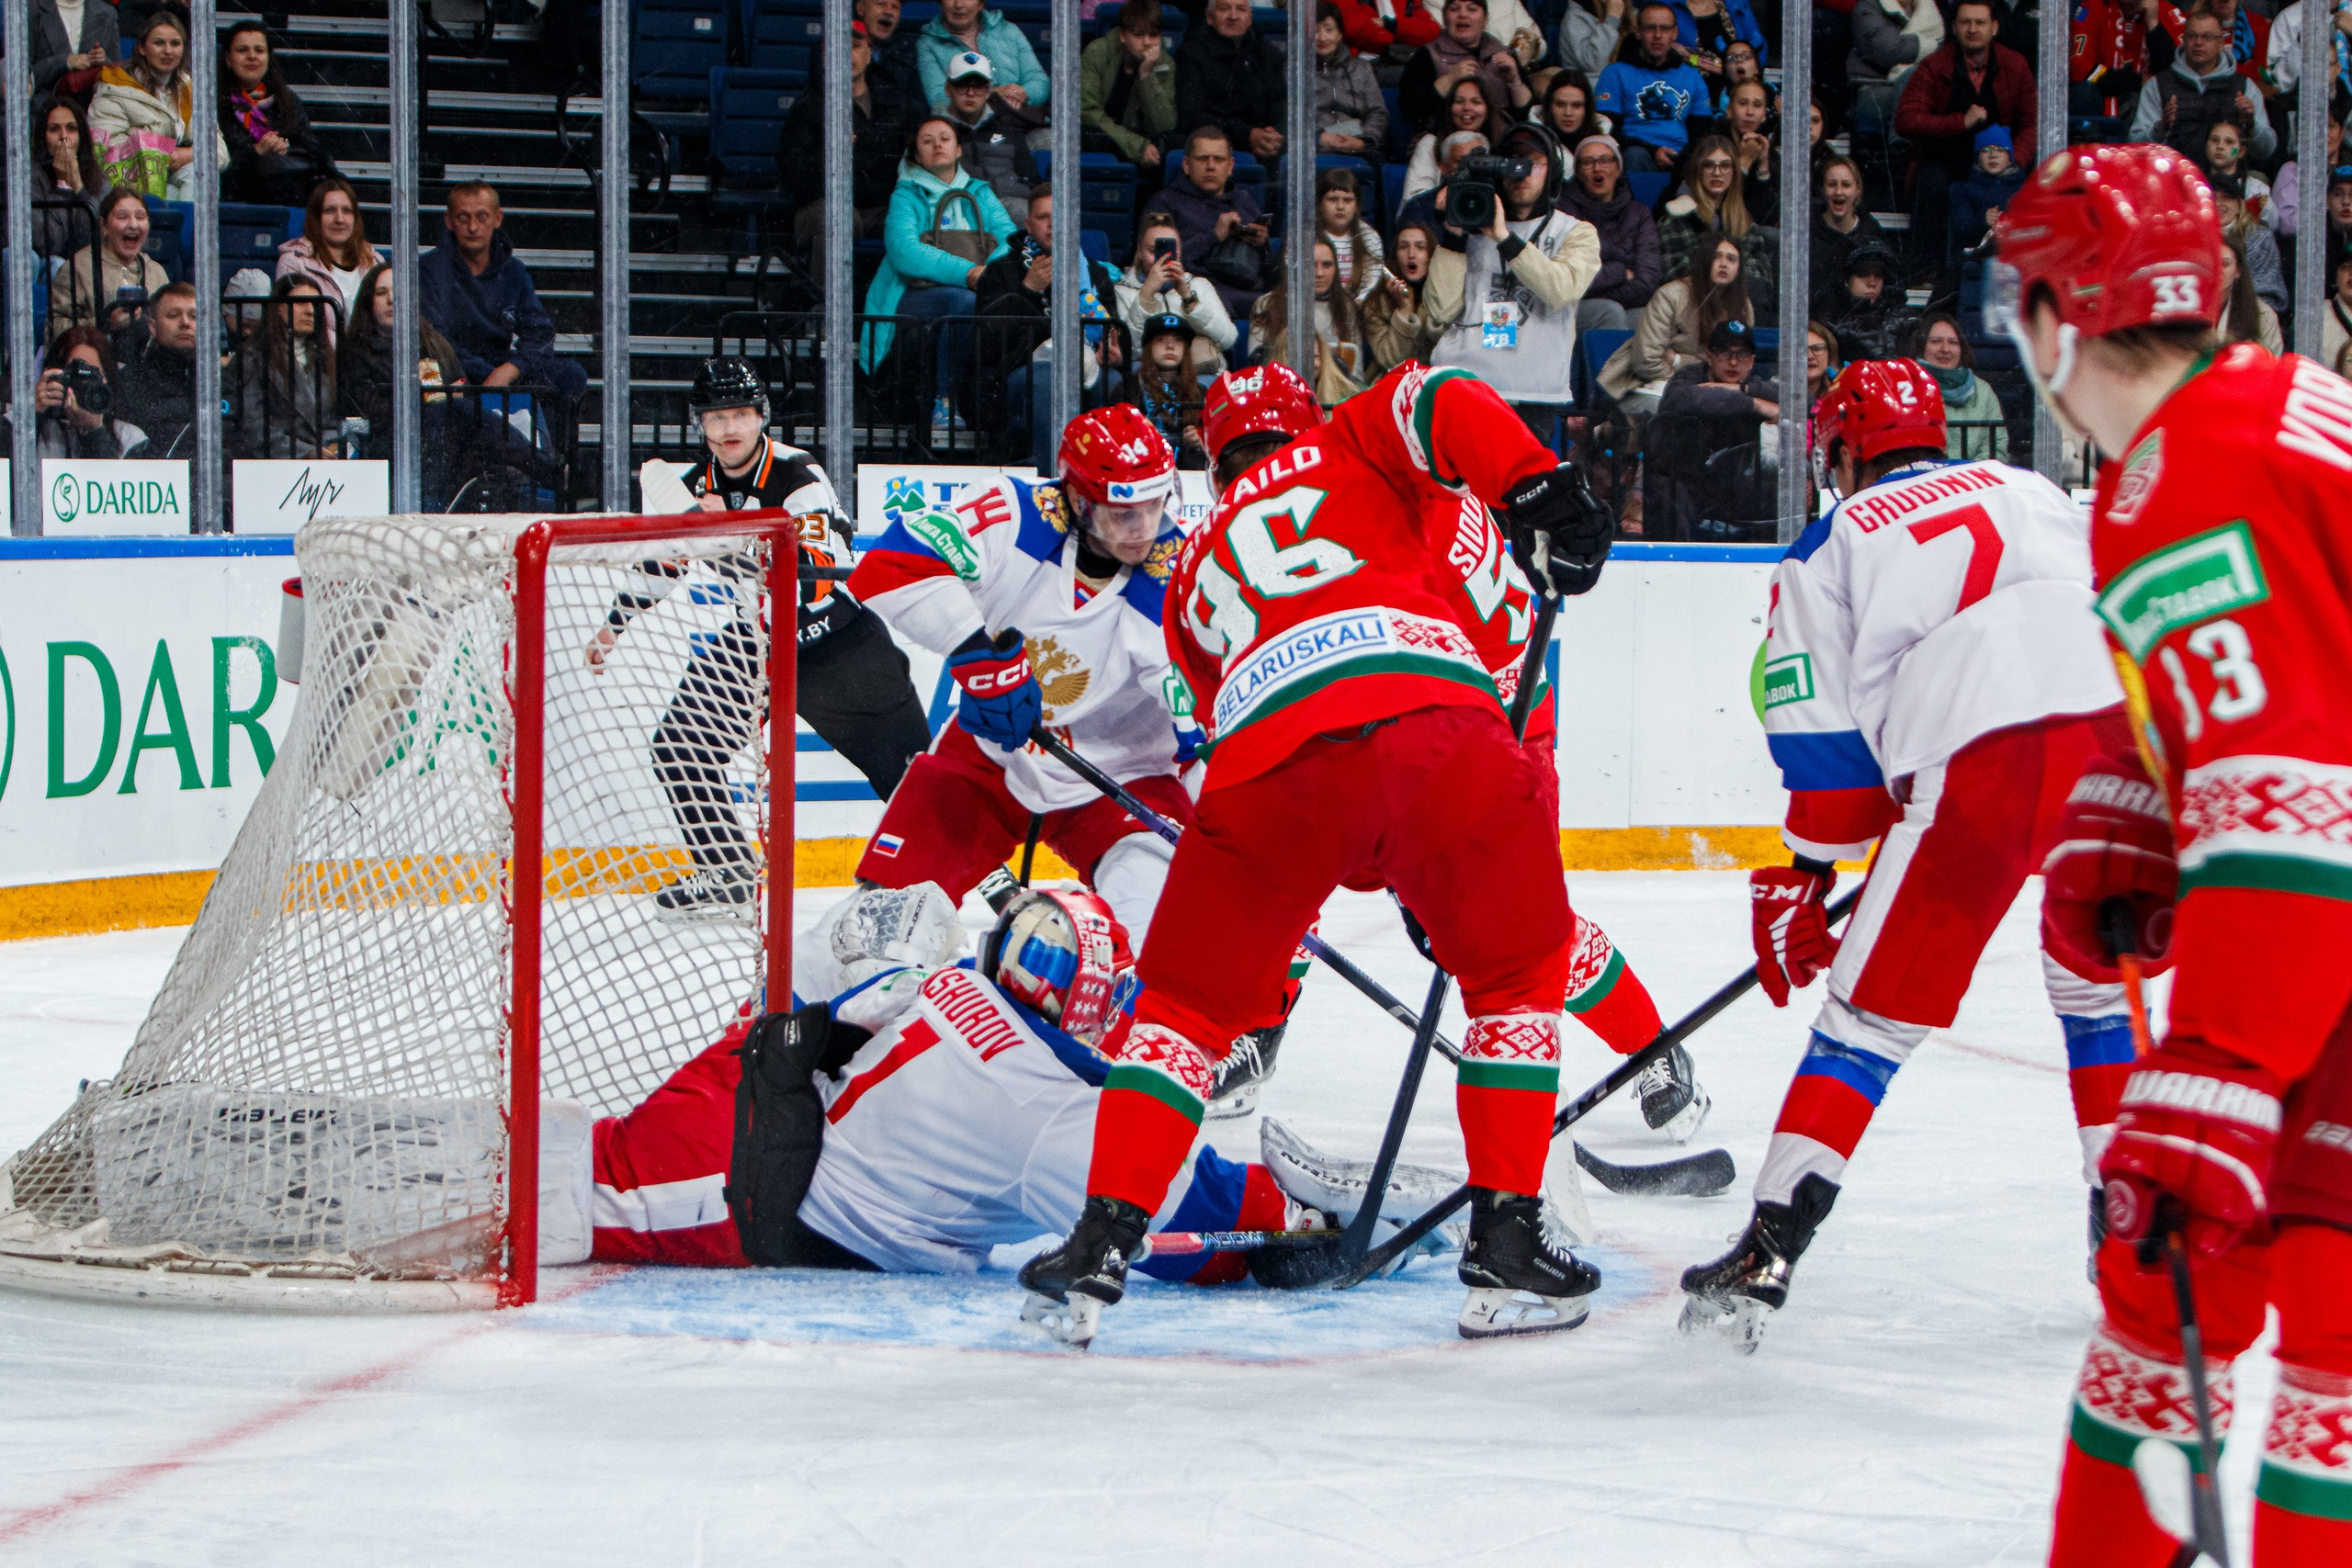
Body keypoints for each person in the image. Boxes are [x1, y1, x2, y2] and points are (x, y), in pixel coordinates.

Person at [1015, 359, 1616, 1347]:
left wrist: (1355, 840)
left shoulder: (1189, 570)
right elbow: (1441, 396)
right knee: (1517, 977)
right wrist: (1535, 482)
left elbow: (1219, 721)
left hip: (1262, 767)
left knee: (1181, 1013)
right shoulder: (1355, 442)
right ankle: (1507, 1241)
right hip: (1433, 719)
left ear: (1212, 463)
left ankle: (1097, 1244)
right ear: (1310, 417)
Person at [1991, 141, 2352, 1567]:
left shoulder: (2183, 473)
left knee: (2223, 1276)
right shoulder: (2270, 402)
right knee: (2290, 1299)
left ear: (2055, 318)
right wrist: (2140, 797)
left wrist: (2220, 1067)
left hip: (2319, 935)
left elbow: (2291, 795)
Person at [1679, 356, 2134, 1350]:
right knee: (2100, 997)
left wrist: (1808, 873)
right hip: (2122, 745)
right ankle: (2133, 1240)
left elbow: (1824, 745)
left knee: (1865, 1027)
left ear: (1842, 449)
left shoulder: (1831, 540)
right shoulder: (2033, 487)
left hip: (1980, 768)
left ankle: (1767, 1249)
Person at [579, 884, 1459, 1289]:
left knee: (561, 1161)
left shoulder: (953, 978)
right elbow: (1197, 1222)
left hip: (748, 1092)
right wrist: (1307, 1223)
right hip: (750, 1185)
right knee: (565, 1197)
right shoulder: (1049, 1112)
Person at [846, 406, 1200, 949]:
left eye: (1156, 506)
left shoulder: (1182, 578)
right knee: (878, 929)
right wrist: (979, 657)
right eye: (1124, 514)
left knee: (1162, 934)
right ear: (1078, 500)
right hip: (992, 756)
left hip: (1127, 776)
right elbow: (893, 561)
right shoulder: (1015, 514)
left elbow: (1203, 733)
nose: (1144, 529)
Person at [605, 365, 929, 895]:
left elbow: (813, 583)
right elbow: (665, 563)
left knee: (913, 778)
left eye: (740, 414)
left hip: (836, 641)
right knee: (681, 749)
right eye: (716, 417)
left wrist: (731, 534)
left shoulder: (799, 474)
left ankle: (995, 884)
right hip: (756, 645)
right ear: (700, 424)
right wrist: (613, 627)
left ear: (761, 417)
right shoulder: (696, 488)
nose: (729, 427)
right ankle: (727, 874)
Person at [1428, 127, 1602, 437]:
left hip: (1530, 392)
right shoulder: (1472, 223)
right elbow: (1440, 310)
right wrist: (1454, 235)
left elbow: (1561, 290)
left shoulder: (1575, 232)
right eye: (1511, 163)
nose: (1520, 174)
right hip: (1462, 382)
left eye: (1531, 163)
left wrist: (1503, 237)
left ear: (1553, 171)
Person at [856, 118, 1016, 434]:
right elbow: (904, 250)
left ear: (958, 150)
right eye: (927, 141)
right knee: (964, 302)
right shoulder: (906, 195)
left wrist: (988, 271)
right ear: (916, 155)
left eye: (945, 138)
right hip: (910, 294)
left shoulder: (980, 192)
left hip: (974, 286)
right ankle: (945, 401)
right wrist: (968, 272)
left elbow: (1009, 239)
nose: (937, 145)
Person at [419, 182, 589, 430]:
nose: (473, 227)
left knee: (570, 374)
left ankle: (550, 453)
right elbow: (435, 337)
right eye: (463, 217)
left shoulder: (514, 270)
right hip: (454, 368)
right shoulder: (429, 269)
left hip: (502, 367)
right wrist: (488, 374)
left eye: (482, 217)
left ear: (497, 218)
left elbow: (540, 333)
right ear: (449, 221)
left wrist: (510, 369)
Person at [1894, 0, 2034, 286]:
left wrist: (2013, 160)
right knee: (1930, 181)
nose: (1973, 29)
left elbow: (2031, 122)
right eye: (1965, 22)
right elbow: (1906, 119)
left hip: (1999, 162)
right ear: (1954, 27)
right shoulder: (1934, 66)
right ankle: (1925, 271)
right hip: (1948, 160)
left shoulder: (2015, 65)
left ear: (1994, 27)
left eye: (1980, 22)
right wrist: (1960, 122)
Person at [336, 262, 473, 505]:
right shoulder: (355, 351)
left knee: (473, 420)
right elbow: (369, 407)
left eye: (398, 293)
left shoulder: (433, 341)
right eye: (381, 293)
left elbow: (460, 386)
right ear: (368, 302)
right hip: (389, 445)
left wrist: (449, 396)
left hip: (447, 441)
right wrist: (423, 396)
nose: (391, 300)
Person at [782, 22, 916, 249]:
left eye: (855, 46)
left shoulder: (897, 104)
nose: (847, 54)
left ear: (869, 54)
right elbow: (793, 175)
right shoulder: (807, 108)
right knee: (838, 219)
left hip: (881, 209)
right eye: (839, 46)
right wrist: (830, 154)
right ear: (825, 57)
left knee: (912, 219)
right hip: (824, 208)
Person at [1644, 316, 1777, 537]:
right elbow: (1685, 399)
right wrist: (1754, 404)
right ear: (1710, 356)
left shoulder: (1754, 384)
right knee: (1670, 500)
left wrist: (1741, 390)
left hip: (1732, 486)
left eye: (1742, 354)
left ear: (1752, 361)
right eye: (1725, 353)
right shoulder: (1688, 377)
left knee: (1789, 497)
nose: (1733, 362)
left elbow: (1805, 401)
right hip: (1683, 481)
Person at [1599, 232, 1753, 425]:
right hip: (1649, 386)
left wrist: (1678, 360)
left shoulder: (1744, 306)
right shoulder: (1671, 295)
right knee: (1678, 412)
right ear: (1704, 261)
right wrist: (1695, 381)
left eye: (1731, 259)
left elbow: (1741, 362)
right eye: (1716, 257)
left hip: (1713, 389)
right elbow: (1647, 361)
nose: (1724, 264)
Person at [87, 10, 226, 201]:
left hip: (176, 178)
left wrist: (188, 154)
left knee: (201, 173)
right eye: (159, 43)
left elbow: (219, 149)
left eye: (175, 43)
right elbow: (107, 152)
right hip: (132, 187)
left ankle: (193, 222)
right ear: (142, 48)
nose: (168, 51)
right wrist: (164, 153)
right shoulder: (115, 88)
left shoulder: (189, 88)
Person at [1140, 128, 1268, 321]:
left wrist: (1262, 243)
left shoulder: (1245, 202)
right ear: (1186, 165)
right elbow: (1155, 262)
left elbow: (1267, 268)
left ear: (1230, 166)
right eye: (1202, 159)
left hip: (1250, 291)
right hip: (1193, 293)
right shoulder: (1165, 203)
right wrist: (1213, 236)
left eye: (1219, 159)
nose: (1211, 166)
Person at [2129, 5, 2274, 162]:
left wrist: (2251, 124)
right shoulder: (2158, 85)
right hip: (2173, 172)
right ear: (2183, 41)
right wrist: (2160, 128)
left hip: (2230, 175)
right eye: (2192, 36)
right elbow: (2135, 146)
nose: (2198, 42)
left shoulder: (2244, 86)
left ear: (2221, 43)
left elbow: (2266, 151)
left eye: (2207, 37)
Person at [1654, 133, 1776, 313]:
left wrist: (1715, 269)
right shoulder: (1676, 216)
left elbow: (1762, 276)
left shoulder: (1743, 219)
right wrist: (1730, 269)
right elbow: (1675, 273)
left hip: (1741, 308)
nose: (1717, 172)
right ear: (1698, 170)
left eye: (1725, 165)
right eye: (1708, 165)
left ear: (1734, 172)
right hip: (1693, 311)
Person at [219, 21, 336, 207]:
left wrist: (284, 145)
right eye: (242, 50)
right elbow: (219, 165)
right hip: (241, 197)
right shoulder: (216, 103)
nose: (252, 56)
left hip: (291, 187)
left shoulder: (286, 100)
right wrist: (257, 151)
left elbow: (313, 147)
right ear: (228, 59)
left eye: (259, 50)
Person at [1557, 132, 1661, 334]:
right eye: (1588, 162)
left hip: (1627, 303)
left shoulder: (1639, 214)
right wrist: (1619, 273)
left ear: (1618, 168)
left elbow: (1648, 281)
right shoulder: (1563, 213)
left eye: (1605, 160)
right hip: (1572, 307)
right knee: (1609, 312)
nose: (1597, 168)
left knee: (1650, 318)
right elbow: (1570, 280)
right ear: (1577, 171)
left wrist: (1608, 290)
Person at [1250, 235, 1374, 404]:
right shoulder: (1266, 304)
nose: (1319, 273)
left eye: (1327, 265)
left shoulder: (1347, 307)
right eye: (1311, 265)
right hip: (1280, 398)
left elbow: (1354, 374)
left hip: (1334, 399)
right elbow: (1257, 369)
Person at [231, 275, 338, 460]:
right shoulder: (252, 358)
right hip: (275, 465)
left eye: (316, 305)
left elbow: (336, 420)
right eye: (301, 303)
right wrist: (306, 452)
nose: (310, 311)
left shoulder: (327, 358)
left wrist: (334, 446)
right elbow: (252, 427)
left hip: (326, 464)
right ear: (278, 308)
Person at [1596, 4, 1711, 170]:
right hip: (1635, 154)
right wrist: (1653, 150)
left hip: (1682, 158)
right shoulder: (1615, 73)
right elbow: (1604, 130)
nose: (1657, 35)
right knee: (1635, 155)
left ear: (1675, 33)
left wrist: (1685, 156)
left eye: (1664, 29)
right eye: (1650, 28)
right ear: (1638, 32)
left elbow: (1703, 133)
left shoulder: (1692, 76)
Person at [1114, 216, 1239, 364]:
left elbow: (1228, 340)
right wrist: (1146, 294)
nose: (1162, 259)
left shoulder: (1199, 285)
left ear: (1179, 252)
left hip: (1198, 368)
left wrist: (1188, 298)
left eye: (1170, 251)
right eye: (1154, 251)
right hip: (1149, 370)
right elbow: (1129, 352)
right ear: (1140, 251)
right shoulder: (1122, 291)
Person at [1400, 0, 1531, 140]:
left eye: (1472, 9)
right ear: (1444, 18)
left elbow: (1528, 115)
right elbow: (1409, 111)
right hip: (1444, 143)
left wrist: (1515, 81)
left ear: (1485, 19)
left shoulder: (1504, 53)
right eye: (1454, 9)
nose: (1463, 14)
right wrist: (1449, 80)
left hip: (1503, 142)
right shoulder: (1427, 55)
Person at [51, 185, 167, 340]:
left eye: (140, 217)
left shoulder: (156, 272)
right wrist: (103, 323)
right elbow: (53, 330)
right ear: (104, 226)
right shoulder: (78, 268)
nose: (133, 225)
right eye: (122, 217)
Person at [1177, 0, 1287, 163]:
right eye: (1224, 9)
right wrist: (1248, 135)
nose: (1233, 16)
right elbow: (1191, 117)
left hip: (1267, 150)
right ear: (1209, 17)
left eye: (1241, 9)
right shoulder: (1191, 54)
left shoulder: (1269, 54)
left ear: (1250, 17)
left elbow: (1281, 107)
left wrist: (1274, 136)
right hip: (1213, 148)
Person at [1080, 0, 1179, 169]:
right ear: (1123, 36)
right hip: (1103, 137)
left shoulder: (1165, 63)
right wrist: (1137, 147)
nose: (1147, 42)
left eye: (1153, 35)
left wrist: (1146, 75)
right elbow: (1088, 112)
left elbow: (1164, 126)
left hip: (1145, 143)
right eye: (1138, 35)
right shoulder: (1097, 53)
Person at [274, 176, 376, 338]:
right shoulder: (294, 263)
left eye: (347, 211)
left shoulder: (374, 261)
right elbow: (295, 325)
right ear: (315, 217)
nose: (339, 219)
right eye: (329, 211)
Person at [26, 325, 146, 459]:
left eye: (94, 375)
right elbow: (11, 463)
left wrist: (95, 431)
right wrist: (33, 415)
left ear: (108, 378)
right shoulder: (35, 428)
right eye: (76, 374)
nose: (84, 383)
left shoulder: (130, 438)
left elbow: (109, 473)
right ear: (56, 376)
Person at [939, 51, 1039, 210]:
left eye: (978, 86)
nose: (971, 93)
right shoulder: (933, 131)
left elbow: (1032, 181)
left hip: (1012, 206)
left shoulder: (1008, 128)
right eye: (962, 85)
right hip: (963, 209)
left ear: (988, 92)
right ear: (947, 89)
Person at [111, 277, 198, 458]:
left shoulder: (221, 381)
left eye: (194, 316)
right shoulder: (129, 382)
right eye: (173, 315)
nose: (185, 322)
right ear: (152, 326)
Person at [916, 0, 1048, 115]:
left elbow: (1040, 81)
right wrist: (996, 94)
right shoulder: (928, 44)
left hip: (1021, 119)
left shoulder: (1009, 30)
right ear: (941, 3)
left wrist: (1020, 94)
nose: (959, 4)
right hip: (966, 128)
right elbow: (938, 99)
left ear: (981, 4)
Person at [1910, 312, 2005, 459]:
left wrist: (1966, 471)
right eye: (1936, 341)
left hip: (1974, 474)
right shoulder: (1907, 388)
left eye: (1953, 342)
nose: (1945, 349)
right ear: (1921, 347)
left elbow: (1998, 446)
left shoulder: (1982, 390)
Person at [1808, 153, 1892, 311]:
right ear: (1823, 189)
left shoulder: (1872, 232)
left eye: (1846, 185)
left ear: (1857, 190)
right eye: (1832, 184)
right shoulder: (1808, 230)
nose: (1838, 191)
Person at [2070, 0, 2182, 116]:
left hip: (2151, 108)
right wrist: (2136, 81)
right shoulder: (2092, 7)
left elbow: (2180, 71)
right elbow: (2080, 70)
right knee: (2082, 92)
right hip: (2102, 102)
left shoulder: (2167, 11)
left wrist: (2154, 25)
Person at [1848, 0, 1942, 134]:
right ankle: (1899, 142)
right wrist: (1931, 46)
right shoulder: (1867, 7)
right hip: (1877, 85)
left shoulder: (1931, 9)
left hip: (1921, 84)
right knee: (1912, 85)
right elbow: (1887, 50)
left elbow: (1944, 48)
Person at [28, 96, 103, 261]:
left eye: (71, 128)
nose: (63, 136)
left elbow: (97, 240)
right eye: (54, 129)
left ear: (81, 135)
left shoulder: (97, 177)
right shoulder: (31, 179)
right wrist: (62, 188)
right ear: (43, 136)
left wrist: (78, 186)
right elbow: (47, 245)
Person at [1310, 2, 1387, 162]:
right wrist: (1318, 137)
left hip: (1358, 143)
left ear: (1340, 34)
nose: (1322, 37)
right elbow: (1287, 115)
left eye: (1329, 30)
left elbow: (1378, 112)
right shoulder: (1295, 69)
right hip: (1316, 146)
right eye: (1316, 31)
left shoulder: (1361, 68)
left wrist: (1364, 140)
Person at [1403, 80, 1503, 200]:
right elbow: (1414, 198)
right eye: (1459, 101)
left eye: (1476, 102)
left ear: (1488, 109)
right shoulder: (1429, 144)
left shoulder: (1500, 146)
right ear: (1450, 108)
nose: (1467, 107)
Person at [1133, 312, 1208, 467]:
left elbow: (1215, 442)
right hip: (1143, 470)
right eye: (1161, 339)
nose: (1170, 346)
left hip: (1191, 474)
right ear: (1149, 347)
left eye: (1178, 340)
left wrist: (1200, 439)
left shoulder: (1200, 391)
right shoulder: (1130, 387)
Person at [1365, 220, 1442, 369]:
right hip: (1393, 380)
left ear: (1430, 255)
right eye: (1403, 247)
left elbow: (1446, 355)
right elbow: (1391, 361)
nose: (1411, 254)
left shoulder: (1444, 296)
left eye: (1420, 247)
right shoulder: (1376, 303)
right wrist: (1404, 311)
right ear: (1395, 255)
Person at [2210, 172, 2288, 315]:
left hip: (2251, 315)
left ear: (2239, 205)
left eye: (2226, 197)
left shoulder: (2260, 238)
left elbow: (2270, 293)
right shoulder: (2193, 239)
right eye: (2213, 198)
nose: (2218, 204)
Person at [1945, 125, 2022, 265]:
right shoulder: (1962, 189)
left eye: (2000, 149)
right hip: (1974, 263)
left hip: (2015, 261)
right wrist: (1983, 220)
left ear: (2010, 158)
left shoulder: (2023, 189)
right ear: (1977, 158)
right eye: (1986, 150)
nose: (1993, 155)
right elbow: (1961, 228)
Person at [1822, 243, 1911, 362]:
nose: (1872, 283)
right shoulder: (1830, 321)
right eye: (1863, 274)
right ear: (1846, 280)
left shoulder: (1899, 319)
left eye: (1878, 276)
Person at [1316, 168, 1385, 302]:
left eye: (1347, 200)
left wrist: (1355, 306)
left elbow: (1372, 284)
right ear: (1320, 204)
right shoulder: (1306, 235)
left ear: (1356, 206)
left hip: (1357, 307)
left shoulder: (1369, 236)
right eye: (1332, 199)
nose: (1340, 206)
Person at [1398, 129, 1487, 230]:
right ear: (1443, 167)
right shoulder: (1419, 208)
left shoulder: (1497, 203)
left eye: (1476, 161)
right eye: (1461, 161)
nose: (1469, 167)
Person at [30, 0, 119, 99]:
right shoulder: (33, 9)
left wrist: (102, 60)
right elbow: (25, 75)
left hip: (93, 102)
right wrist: (66, 61)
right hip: (47, 102)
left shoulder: (108, 12)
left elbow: (118, 71)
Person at [1723, 78, 1778, 224]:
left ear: (1764, 115)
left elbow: (1767, 217)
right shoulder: (1711, 146)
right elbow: (1720, 203)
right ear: (1729, 110)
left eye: (1757, 105)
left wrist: (1764, 166)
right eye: (1742, 103)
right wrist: (1744, 163)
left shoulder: (1770, 154)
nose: (1750, 112)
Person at [2218, 231, 2284, 355]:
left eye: (2225, 264)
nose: (2218, 270)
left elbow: (2272, 361)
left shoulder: (2262, 315)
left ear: (2238, 271)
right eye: (2212, 263)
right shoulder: (2187, 312)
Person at [857, 0, 925, 105]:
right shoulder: (840, 48)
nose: (889, 12)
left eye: (895, 7)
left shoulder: (911, 50)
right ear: (861, 8)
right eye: (881, 4)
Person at [2200, 118, 2267, 221]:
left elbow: (2269, 225)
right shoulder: (2192, 186)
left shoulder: (2257, 191)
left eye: (2229, 142)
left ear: (2241, 151)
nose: (2220, 146)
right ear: (2206, 146)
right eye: (2214, 140)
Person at [1330, 0, 1441, 54]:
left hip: (1401, 57)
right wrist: (1404, 36)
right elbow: (1356, 30)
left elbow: (1432, 31)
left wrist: (1389, 24)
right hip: (1360, 62)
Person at [1538, 71, 1608, 144]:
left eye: (1576, 105)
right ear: (1549, 106)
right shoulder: (1534, 140)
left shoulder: (1604, 143)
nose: (1568, 113)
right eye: (1560, 104)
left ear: (1587, 108)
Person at [1804, 319, 1839, 405]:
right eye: (1802, 350)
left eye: (1818, 348)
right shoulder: (1774, 396)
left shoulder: (1841, 395)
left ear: (1830, 355)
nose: (1810, 356)